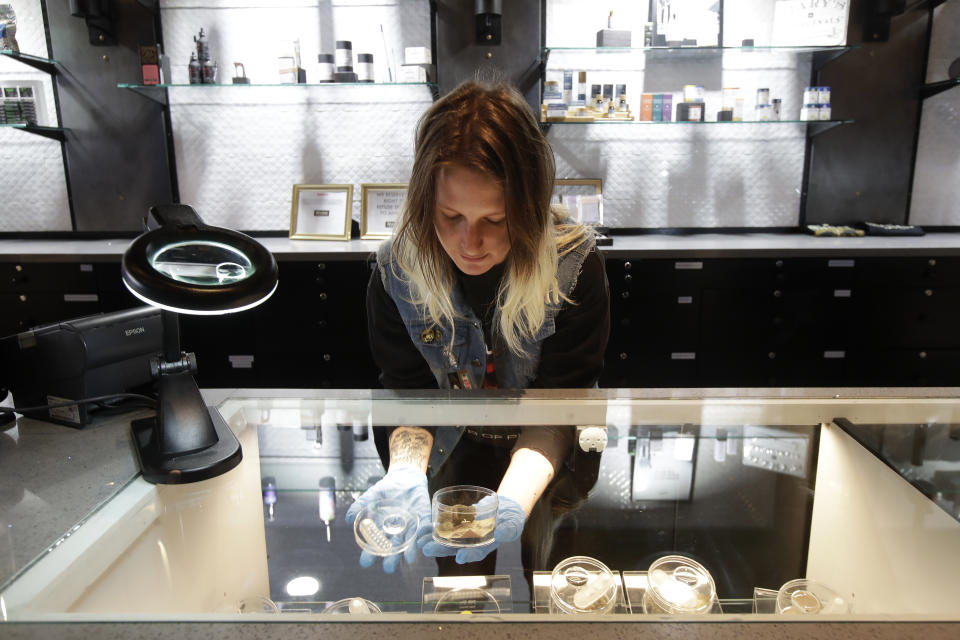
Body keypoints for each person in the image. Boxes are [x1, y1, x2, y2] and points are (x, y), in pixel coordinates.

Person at [345, 79, 610, 578]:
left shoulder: (572, 264)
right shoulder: (398, 269)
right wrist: (405, 470)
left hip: (545, 456)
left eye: (497, 218)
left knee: (551, 583)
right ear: (426, 202)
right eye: (451, 216)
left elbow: (560, 401)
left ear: (529, 209)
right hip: (451, 449)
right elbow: (409, 394)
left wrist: (513, 496)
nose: (472, 242)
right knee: (462, 590)